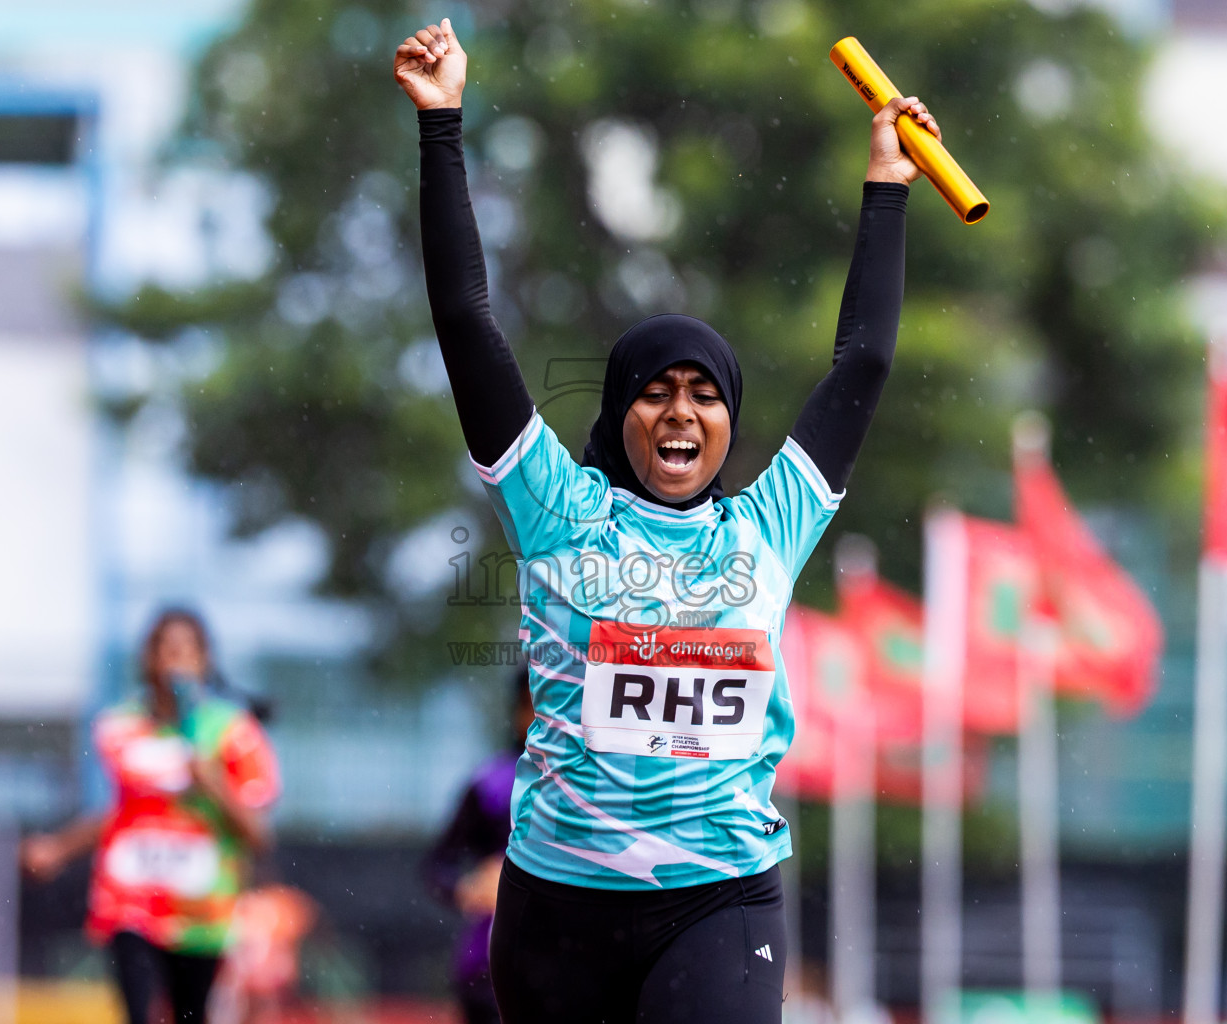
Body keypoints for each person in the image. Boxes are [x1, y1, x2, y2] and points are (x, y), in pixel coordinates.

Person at [394, 18, 933, 1023]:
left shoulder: (771, 522)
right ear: (619, 413)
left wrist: (888, 188)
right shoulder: (556, 507)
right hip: (557, 912)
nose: (682, 411)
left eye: (706, 394)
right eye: (656, 391)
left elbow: (860, 363)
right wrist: (441, 127)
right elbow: (467, 319)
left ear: (731, 420)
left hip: (720, 902)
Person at [21, 608, 282, 1024]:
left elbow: (258, 834)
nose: (174, 661)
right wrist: (58, 847)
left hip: (202, 908)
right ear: (148, 659)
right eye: (165, 649)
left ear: (205, 660)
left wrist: (212, 783)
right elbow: (122, 813)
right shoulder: (121, 726)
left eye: (186, 651)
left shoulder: (232, 733)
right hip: (131, 900)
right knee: (138, 1012)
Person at [422, 668, 535, 1024]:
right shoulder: (493, 783)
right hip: (489, 961)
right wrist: (467, 887)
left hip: (570, 954)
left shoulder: (601, 784)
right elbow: (438, 864)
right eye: (533, 707)